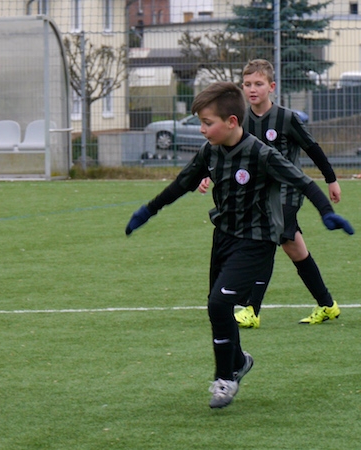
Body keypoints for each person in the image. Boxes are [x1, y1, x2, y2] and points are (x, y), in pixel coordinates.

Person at [125, 82, 354, 409]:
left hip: (256, 241)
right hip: (224, 238)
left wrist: (326, 212)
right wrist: (148, 210)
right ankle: (239, 361)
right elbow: (182, 184)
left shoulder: (261, 153)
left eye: (208, 123)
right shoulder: (210, 152)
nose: (202, 130)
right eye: (201, 123)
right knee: (217, 306)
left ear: (231, 121)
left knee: (219, 304)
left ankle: (225, 379)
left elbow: (302, 181)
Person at [198, 59, 342, 328]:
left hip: (288, 191)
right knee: (294, 248)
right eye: (247, 84)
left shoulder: (286, 118)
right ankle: (326, 304)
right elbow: (223, 152)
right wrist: (207, 174)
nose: (252, 89)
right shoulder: (240, 120)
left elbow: (312, 149)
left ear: (271, 87)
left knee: (267, 235)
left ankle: (252, 309)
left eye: (258, 84)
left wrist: (331, 179)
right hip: (258, 194)